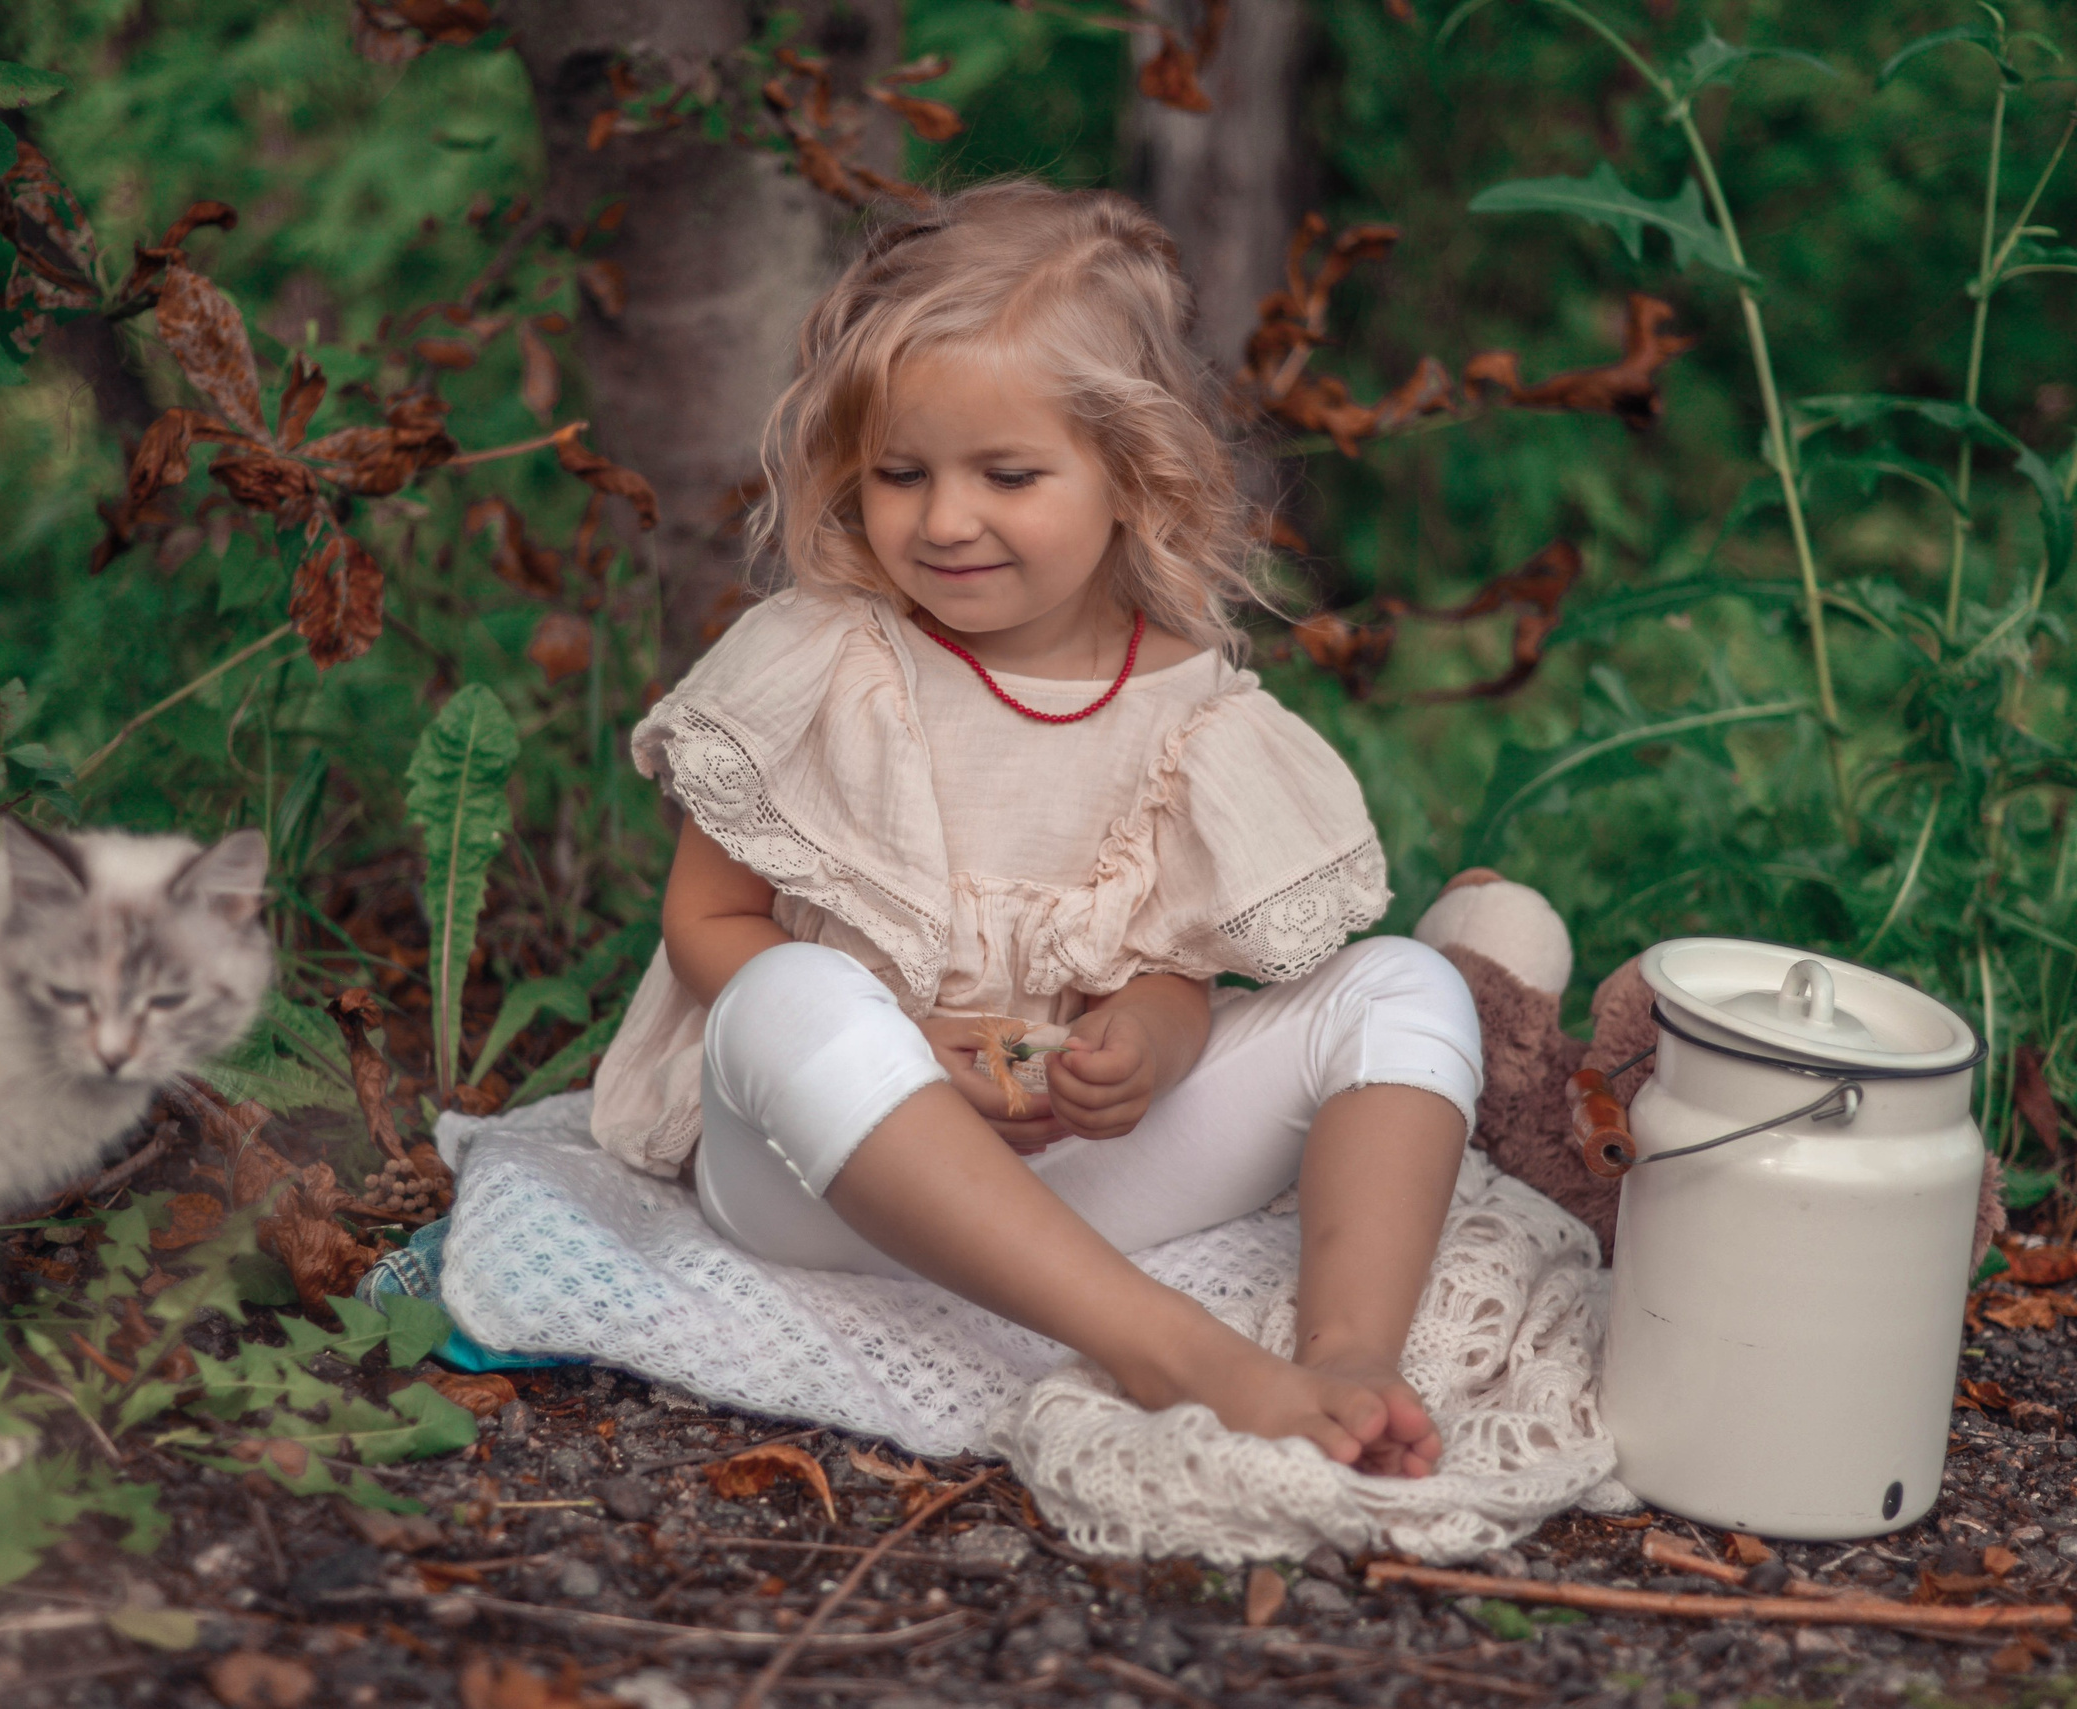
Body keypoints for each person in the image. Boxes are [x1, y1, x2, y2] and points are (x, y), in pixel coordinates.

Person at [589, 182, 1480, 1477]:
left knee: (1409, 984)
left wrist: (1156, 1045)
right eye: (901, 473)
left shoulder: (1188, 708)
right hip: (826, 1168)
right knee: (790, 991)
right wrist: (905, 1034)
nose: (944, 520)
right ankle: (1167, 1345)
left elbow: (1174, 969)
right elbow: (704, 925)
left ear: (1133, 475)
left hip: (1082, 1168)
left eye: (1006, 474)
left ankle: (1348, 1351)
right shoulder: (827, 658)